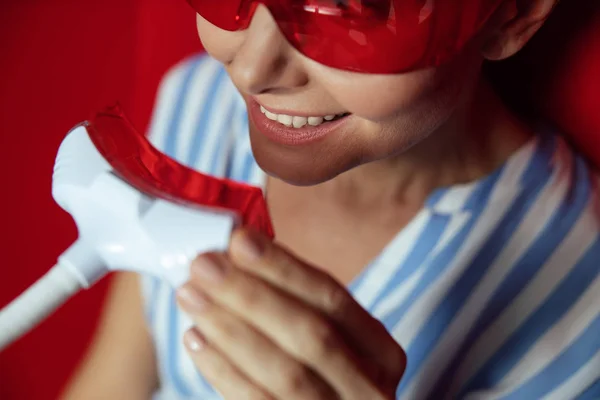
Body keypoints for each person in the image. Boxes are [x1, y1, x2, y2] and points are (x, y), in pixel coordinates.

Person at [61, 1, 600, 399]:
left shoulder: (578, 293)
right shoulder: (201, 104)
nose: (251, 70)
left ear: (513, 13)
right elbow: (114, 380)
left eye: (348, 10)